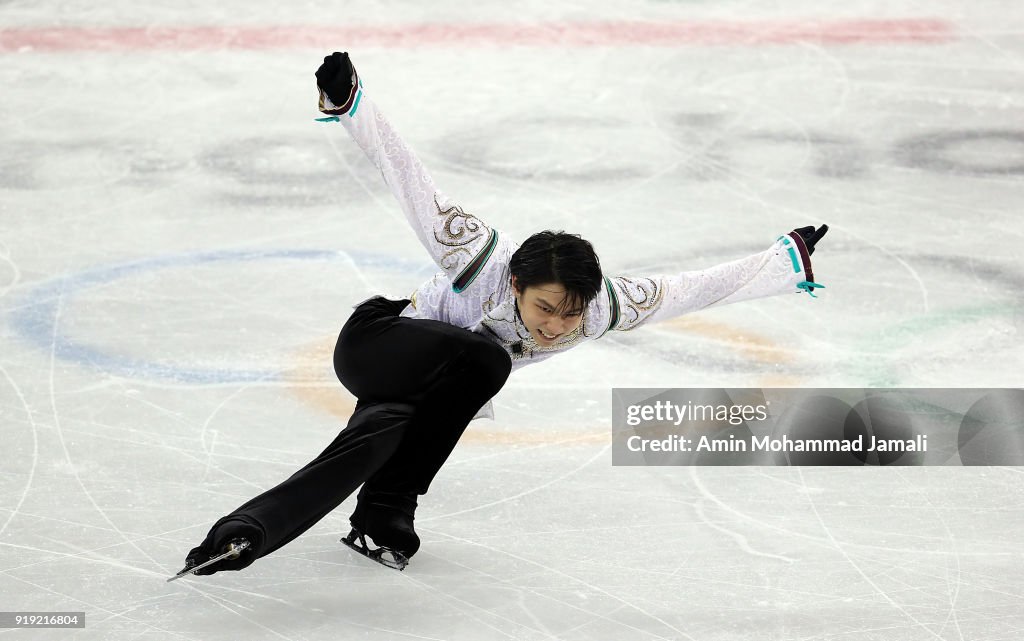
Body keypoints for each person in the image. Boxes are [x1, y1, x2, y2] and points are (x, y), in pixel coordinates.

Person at [177, 52, 828, 576]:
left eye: (569, 317)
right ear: (516, 282)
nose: (555, 326)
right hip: (377, 341)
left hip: (424, 388)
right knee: (486, 358)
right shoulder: (478, 256)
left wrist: (786, 259)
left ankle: (266, 530)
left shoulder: (602, 309)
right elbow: (410, 178)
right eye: (545, 307)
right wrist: (351, 104)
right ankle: (383, 502)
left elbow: (693, 288)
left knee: (373, 441)